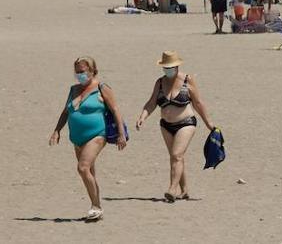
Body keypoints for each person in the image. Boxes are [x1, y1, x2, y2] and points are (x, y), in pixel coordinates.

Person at [49, 56, 127, 222]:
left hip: (97, 134)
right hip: (76, 137)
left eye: (82, 71)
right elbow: (66, 112)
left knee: (82, 168)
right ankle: (96, 206)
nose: (79, 75)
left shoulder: (102, 88)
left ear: (93, 71)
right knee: (89, 172)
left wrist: (121, 134)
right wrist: (57, 130)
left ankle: (96, 206)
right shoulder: (73, 89)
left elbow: (115, 110)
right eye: (77, 72)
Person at [134, 51, 216, 203]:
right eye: (166, 67)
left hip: (186, 122)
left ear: (177, 66)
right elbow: (152, 102)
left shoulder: (187, 80)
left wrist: (208, 123)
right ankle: (184, 191)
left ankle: (172, 189)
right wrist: (143, 116)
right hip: (165, 125)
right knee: (176, 157)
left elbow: (198, 103)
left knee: (176, 155)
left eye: (171, 67)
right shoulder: (159, 82)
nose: (168, 69)